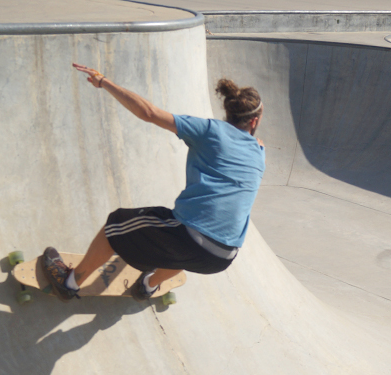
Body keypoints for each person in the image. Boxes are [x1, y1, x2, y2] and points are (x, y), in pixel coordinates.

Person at [42, 63, 266, 301]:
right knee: (185, 246)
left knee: (115, 225)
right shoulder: (260, 151)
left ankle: (69, 283)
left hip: (190, 238)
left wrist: (103, 81)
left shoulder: (211, 130)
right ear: (254, 122)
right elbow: (255, 142)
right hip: (223, 257)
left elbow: (148, 113)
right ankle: (147, 286)